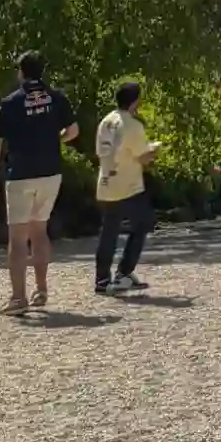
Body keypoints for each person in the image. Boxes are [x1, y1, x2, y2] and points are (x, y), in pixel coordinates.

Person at [0, 52, 78, 316]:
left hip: (21, 174)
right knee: (40, 230)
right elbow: (73, 131)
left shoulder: (11, 102)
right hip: (50, 172)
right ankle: (41, 289)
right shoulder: (57, 97)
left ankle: (18, 298)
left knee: (17, 238)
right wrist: (54, 139)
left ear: (21, 72)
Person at [94, 79, 160, 297]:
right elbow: (143, 157)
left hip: (106, 182)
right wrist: (154, 150)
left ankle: (102, 279)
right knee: (143, 224)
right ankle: (124, 272)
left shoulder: (106, 121)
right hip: (128, 185)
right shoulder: (132, 125)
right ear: (135, 101)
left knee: (109, 232)